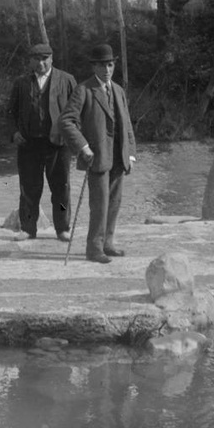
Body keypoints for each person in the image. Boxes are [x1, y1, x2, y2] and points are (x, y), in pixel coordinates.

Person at [58, 44, 136, 264]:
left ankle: (107, 243)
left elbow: (127, 125)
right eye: (102, 65)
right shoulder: (84, 90)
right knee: (99, 205)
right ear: (94, 66)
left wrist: (131, 154)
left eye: (110, 64)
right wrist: (83, 147)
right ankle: (93, 249)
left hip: (119, 158)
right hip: (97, 158)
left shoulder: (119, 90)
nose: (107, 69)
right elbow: (66, 121)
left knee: (114, 202)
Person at [6, 42, 77, 242]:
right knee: (29, 189)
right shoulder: (21, 83)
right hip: (29, 145)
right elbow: (10, 113)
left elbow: (77, 111)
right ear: (30, 61)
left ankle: (63, 228)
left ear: (52, 59)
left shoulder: (66, 80)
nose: (41, 63)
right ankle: (28, 228)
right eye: (36, 59)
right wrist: (14, 133)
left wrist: (71, 136)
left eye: (45, 58)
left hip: (58, 145)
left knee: (61, 188)